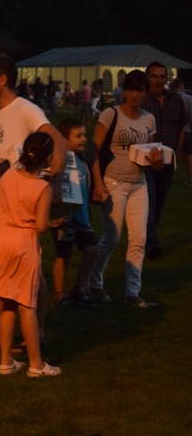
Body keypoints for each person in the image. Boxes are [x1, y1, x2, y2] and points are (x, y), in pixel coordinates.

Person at [0, 55, 66, 348]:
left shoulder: (26, 110)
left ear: (2, 80)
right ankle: (9, 336)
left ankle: (35, 334)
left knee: (30, 275)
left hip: (16, 206)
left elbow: (57, 140)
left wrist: (50, 183)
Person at [0, 132, 62, 378]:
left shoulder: (8, 175)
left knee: (6, 301)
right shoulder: (42, 187)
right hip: (23, 242)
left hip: (0, 238)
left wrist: (7, 212)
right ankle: (36, 364)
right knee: (27, 303)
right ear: (47, 158)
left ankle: (5, 361)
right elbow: (39, 226)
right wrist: (52, 221)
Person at [89, 70, 161, 308]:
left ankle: (132, 293)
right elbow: (93, 151)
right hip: (113, 183)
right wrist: (98, 183)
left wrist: (158, 160)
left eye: (140, 90)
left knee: (139, 238)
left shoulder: (148, 119)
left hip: (139, 184)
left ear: (146, 93)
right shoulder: (111, 114)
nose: (135, 95)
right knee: (112, 237)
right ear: (124, 91)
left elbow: (152, 155)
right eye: (131, 89)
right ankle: (95, 283)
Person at [51, 119, 98, 307]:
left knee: (92, 250)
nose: (84, 139)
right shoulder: (58, 161)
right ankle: (59, 294)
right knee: (64, 254)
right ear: (64, 139)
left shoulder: (82, 160)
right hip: (65, 216)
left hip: (82, 216)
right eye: (78, 136)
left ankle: (80, 287)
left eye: (84, 135)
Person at [142, 62, 186, 259]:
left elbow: (182, 126)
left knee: (160, 201)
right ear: (147, 77)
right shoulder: (142, 99)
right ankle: (152, 244)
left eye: (162, 76)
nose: (158, 80)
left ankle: (145, 235)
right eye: (154, 76)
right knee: (149, 201)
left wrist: (176, 151)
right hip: (146, 160)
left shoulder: (175, 99)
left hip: (168, 159)